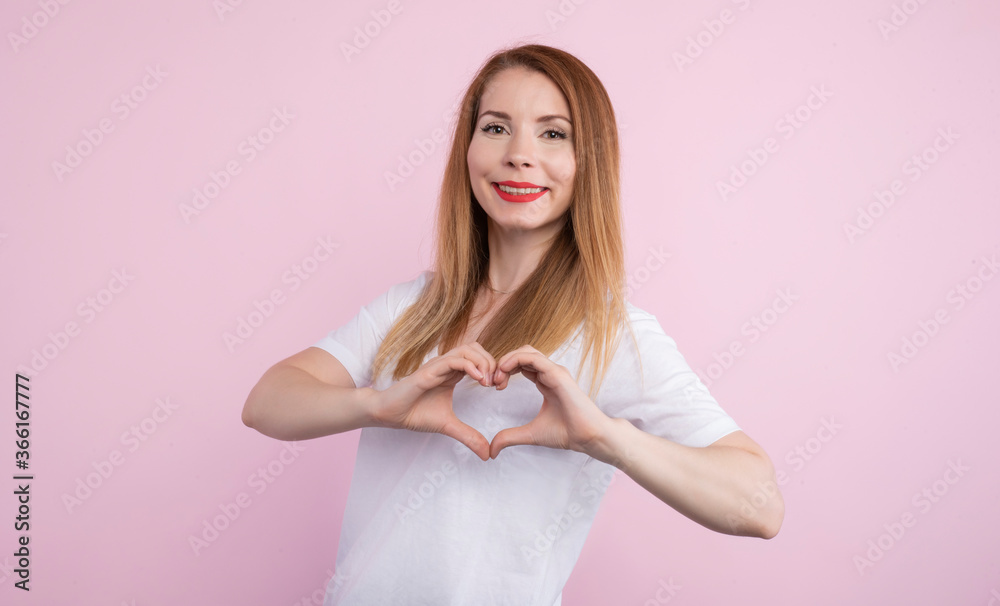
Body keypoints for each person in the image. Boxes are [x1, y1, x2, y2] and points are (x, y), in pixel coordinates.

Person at [241, 43, 784, 605]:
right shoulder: (411, 307)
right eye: (497, 128)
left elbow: (761, 506)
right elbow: (265, 403)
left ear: (589, 161)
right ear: (468, 148)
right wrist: (378, 406)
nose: (519, 155)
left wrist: (603, 437)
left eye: (553, 134)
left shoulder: (615, 336)